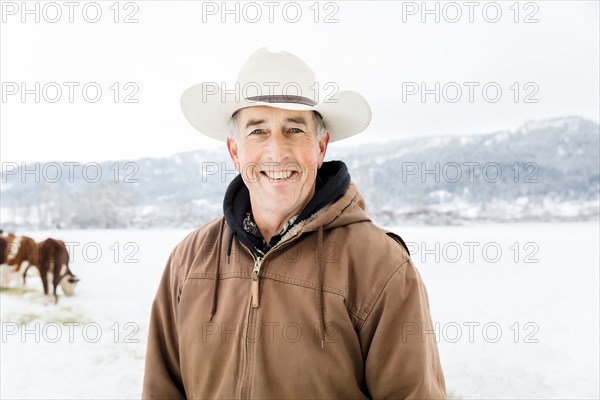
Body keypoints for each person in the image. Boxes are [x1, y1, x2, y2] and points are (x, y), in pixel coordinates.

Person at [142, 48, 446, 399]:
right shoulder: (190, 258)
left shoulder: (380, 264)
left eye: (294, 130)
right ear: (234, 150)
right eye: (258, 131)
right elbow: (160, 390)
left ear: (320, 147)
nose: (277, 152)